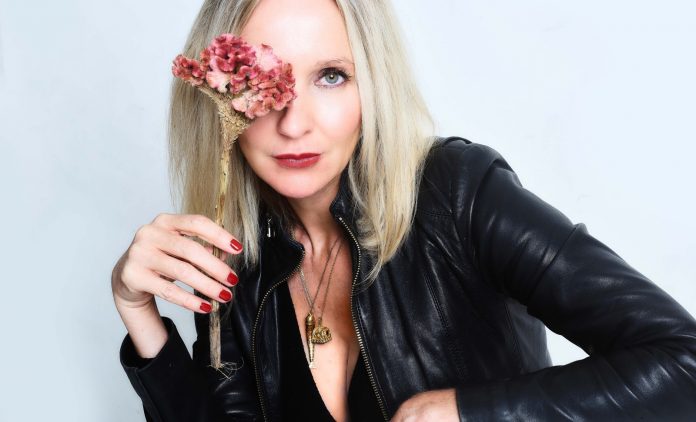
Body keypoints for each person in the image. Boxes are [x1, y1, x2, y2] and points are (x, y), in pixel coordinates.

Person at [111, 0, 696, 421]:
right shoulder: (237, 251)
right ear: (218, 92)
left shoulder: (458, 194)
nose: (294, 123)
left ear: (373, 84)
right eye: (264, 82)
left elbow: (683, 365)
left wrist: (464, 412)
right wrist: (139, 314)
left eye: (331, 77)